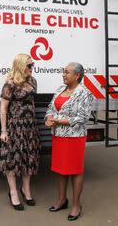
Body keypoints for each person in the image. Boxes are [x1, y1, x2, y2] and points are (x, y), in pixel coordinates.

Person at [45, 62, 94, 221]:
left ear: (77, 75)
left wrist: (58, 120)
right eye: (63, 72)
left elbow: (83, 118)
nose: (63, 75)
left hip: (75, 137)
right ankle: (62, 200)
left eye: (66, 72)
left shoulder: (84, 93)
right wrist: (48, 119)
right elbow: (50, 109)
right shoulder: (60, 90)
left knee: (75, 170)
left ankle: (76, 205)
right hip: (59, 136)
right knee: (60, 169)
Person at [0, 54, 40, 211]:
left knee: (29, 159)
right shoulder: (10, 84)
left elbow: (32, 103)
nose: (31, 68)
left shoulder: (33, 81)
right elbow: (3, 108)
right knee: (12, 160)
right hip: (15, 126)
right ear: (21, 66)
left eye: (32, 65)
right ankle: (13, 193)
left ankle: (26, 190)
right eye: (29, 65)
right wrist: (3, 130)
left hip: (30, 126)